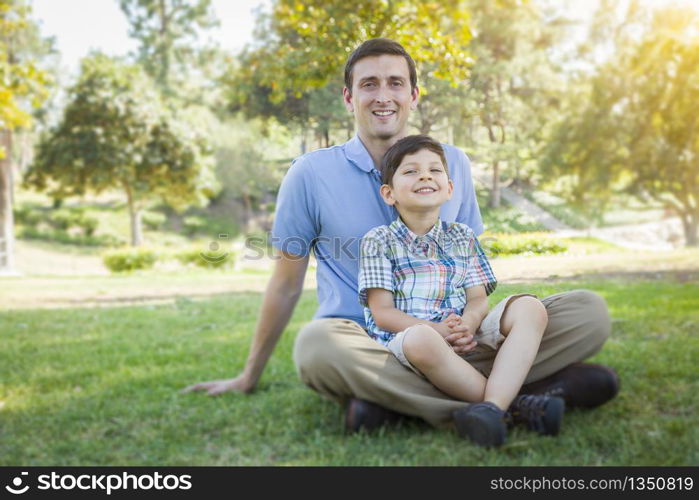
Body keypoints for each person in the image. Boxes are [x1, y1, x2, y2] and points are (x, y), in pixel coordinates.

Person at [184, 38, 619, 437]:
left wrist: (466, 326)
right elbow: (285, 283)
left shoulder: (454, 164)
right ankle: (517, 399)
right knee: (315, 346)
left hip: (459, 341)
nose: (383, 95)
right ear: (349, 97)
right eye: (368, 84)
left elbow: (473, 274)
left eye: (396, 83)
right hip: (372, 346)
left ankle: (395, 407)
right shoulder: (309, 174)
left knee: (588, 311)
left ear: (413, 95)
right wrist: (248, 376)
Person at [359, 134, 564, 447]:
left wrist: (468, 324)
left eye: (435, 170)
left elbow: (478, 300)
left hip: (465, 336)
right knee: (421, 339)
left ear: (450, 188)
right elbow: (383, 314)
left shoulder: (462, 236)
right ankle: (513, 405)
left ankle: (492, 408)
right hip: (413, 342)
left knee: (529, 307)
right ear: (389, 193)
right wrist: (439, 330)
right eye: (411, 171)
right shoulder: (378, 240)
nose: (425, 175)